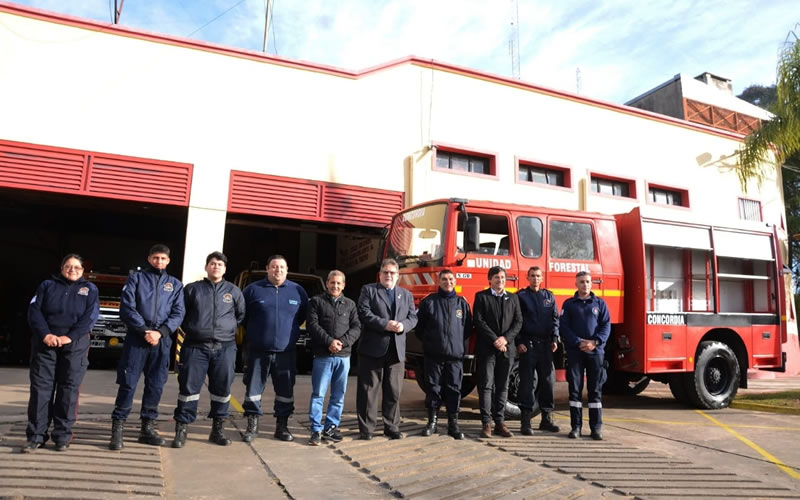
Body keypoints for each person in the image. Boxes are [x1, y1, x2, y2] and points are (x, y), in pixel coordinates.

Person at [110, 244, 185, 450]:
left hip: (161, 341)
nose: (159, 261)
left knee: (156, 384)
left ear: (168, 261)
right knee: (128, 382)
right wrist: (144, 330)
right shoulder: (136, 279)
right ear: (149, 258)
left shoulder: (175, 285)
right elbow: (127, 308)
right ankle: (118, 428)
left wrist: (160, 332)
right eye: (156, 258)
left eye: (163, 258)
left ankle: (147, 428)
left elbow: (178, 313)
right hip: (137, 339)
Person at [22, 254, 99, 452]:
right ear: (61, 268)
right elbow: (34, 311)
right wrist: (45, 334)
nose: (72, 269)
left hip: (74, 346)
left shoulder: (90, 289)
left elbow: (90, 317)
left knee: (68, 390)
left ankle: (62, 436)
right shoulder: (47, 285)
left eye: (77, 267)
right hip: (45, 345)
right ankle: (36, 436)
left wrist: (70, 337)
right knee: (41, 390)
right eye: (68, 266)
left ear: (83, 270)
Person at [171, 251, 245, 448]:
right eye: (213, 263)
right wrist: (197, 329)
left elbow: (240, 316)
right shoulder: (192, 289)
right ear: (206, 267)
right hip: (195, 347)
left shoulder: (234, 291)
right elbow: (181, 314)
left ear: (225, 269)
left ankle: (217, 429)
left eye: (220, 264)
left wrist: (224, 330)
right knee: (188, 389)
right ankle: (181, 429)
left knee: (222, 390)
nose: (216, 266)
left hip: (225, 348)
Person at [241, 255, 308, 442]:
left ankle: (282, 426)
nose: (278, 270)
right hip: (257, 351)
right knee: (253, 388)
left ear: (287, 270)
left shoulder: (298, 291)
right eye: (274, 267)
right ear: (267, 269)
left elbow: (302, 316)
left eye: (282, 267)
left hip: (286, 352)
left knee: (285, 391)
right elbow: (242, 316)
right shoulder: (253, 290)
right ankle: (252, 425)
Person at [356, 258, 417, 440]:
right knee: (369, 392)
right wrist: (385, 324)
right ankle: (367, 430)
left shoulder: (405, 294)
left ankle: (392, 427)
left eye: (392, 273)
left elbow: (413, 317)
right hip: (372, 349)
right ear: (380, 275)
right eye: (386, 272)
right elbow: (364, 313)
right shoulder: (369, 290)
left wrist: (403, 326)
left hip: (396, 350)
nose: (389, 275)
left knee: (394, 391)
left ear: (398, 276)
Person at [415, 269, 472, 440]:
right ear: (438, 282)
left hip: (455, 358)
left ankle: (453, 424)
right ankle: (432, 422)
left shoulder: (462, 303)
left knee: (454, 390)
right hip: (434, 356)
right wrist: (433, 343)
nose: (448, 282)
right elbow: (420, 329)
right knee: (433, 389)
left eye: (451, 279)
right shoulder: (429, 302)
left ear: (455, 282)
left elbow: (467, 329)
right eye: (444, 279)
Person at [306, 270, 360, 446]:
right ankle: (315, 429)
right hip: (323, 356)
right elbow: (313, 325)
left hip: (343, 357)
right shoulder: (316, 302)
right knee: (318, 394)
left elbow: (356, 327)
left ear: (343, 285)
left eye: (339, 283)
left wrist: (342, 343)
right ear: (327, 283)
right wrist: (329, 342)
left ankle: (331, 427)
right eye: (332, 282)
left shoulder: (350, 305)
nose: (335, 286)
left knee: (338, 395)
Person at [560, 270, 610, 440]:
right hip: (575, 352)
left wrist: (593, 343)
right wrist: (578, 342)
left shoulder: (600, 304)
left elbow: (606, 326)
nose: (585, 284)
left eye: (588, 281)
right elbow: (564, 327)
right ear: (576, 284)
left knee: (595, 391)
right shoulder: (569, 304)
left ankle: (596, 428)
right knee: (575, 390)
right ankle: (576, 428)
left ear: (591, 283)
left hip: (595, 353)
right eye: (581, 282)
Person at [473, 265, 522, 438]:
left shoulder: (513, 298)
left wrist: (505, 339)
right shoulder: (481, 297)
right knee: (486, 385)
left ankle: (500, 423)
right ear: (490, 280)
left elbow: (518, 322)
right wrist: (495, 339)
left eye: (502, 277)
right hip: (488, 349)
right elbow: (478, 321)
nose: (500, 280)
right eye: (496, 277)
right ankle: (487, 423)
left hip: (506, 350)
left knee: (503, 387)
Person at [516, 266, 560, 435]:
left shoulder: (549, 297)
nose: (535, 279)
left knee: (547, 382)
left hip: (546, 346)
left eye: (538, 276)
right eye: (532, 276)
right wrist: (519, 341)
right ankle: (525, 421)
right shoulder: (521, 296)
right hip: (528, 345)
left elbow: (555, 319)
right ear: (528, 278)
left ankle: (546, 419)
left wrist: (555, 339)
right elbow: (517, 320)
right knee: (527, 383)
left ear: (542, 278)